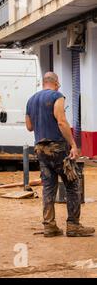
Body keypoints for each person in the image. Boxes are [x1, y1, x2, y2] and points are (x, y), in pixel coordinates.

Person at [26, 72, 94, 237]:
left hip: (40, 148)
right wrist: (73, 145)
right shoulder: (57, 96)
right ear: (55, 83)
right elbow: (62, 121)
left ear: (44, 83)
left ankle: (49, 226)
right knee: (72, 184)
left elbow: (29, 127)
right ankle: (73, 225)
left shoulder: (31, 100)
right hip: (57, 147)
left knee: (49, 187)